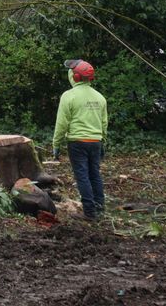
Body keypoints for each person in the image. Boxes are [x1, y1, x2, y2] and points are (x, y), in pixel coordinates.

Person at [51, 58, 108, 220]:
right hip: (96, 142)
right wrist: (103, 141)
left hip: (77, 143)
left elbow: (62, 123)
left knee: (82, 176)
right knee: (94, 174)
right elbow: (104, 123)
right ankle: (100, 206)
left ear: (75, 77)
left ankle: (89, 212)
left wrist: (56, 145)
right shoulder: (100, 97)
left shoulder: (69, 96)